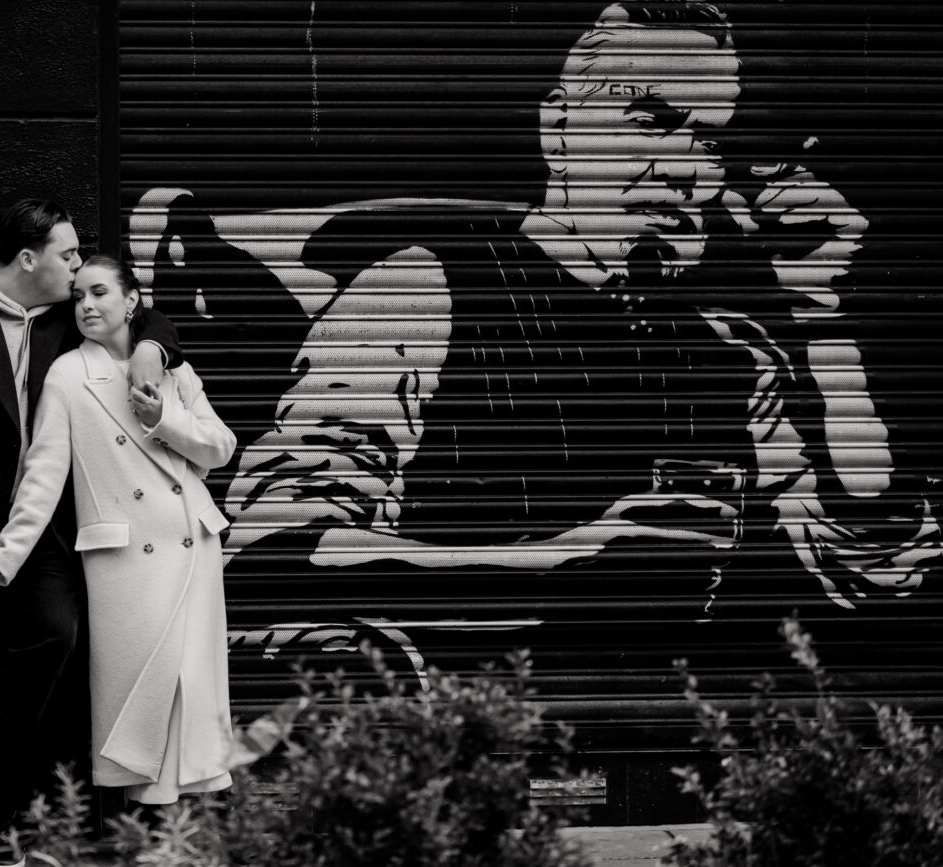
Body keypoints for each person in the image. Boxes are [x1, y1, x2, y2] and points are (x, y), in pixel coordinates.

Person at [210, 0, 939, 610]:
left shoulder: (733, 352)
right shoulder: (422, 293)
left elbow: (876, 565)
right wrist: (564, 560)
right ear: (556, 126)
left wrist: (821, 309)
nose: (686, 170)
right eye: (652, 121)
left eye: (711, 144)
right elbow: (275, 550)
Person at [0, 201, 182, 867]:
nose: (79, 267)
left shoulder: (70, 315)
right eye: (69, 255)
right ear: (29, 259)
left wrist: (148, 348)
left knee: (56, 635)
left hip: (48, 528)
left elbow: (147, 314)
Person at [0, 255, 238, 806]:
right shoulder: (70, 375)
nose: (86, 305)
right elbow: (44, 474)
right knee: (141, 704)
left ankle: (179, 836)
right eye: (77, 297)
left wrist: (163, 421)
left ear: (131, 302)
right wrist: (10, 550)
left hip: (192, 546)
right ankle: (143, 834)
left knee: (189, 693)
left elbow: (220, 448)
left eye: (99, 293)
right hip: (129, 562)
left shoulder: (173, 371)